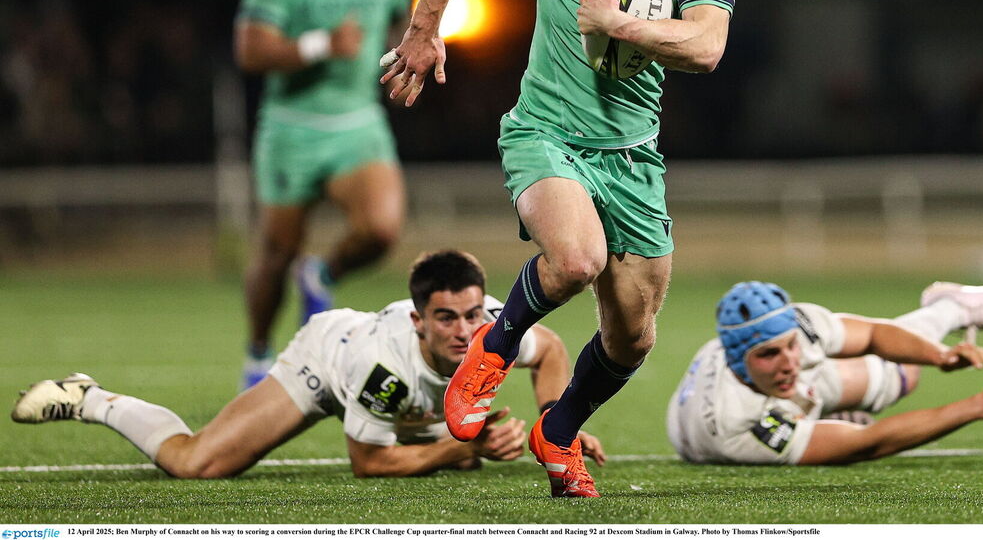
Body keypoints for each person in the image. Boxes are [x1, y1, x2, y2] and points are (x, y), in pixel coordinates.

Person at [380, 0, 735, 497]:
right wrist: (424, 26)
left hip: (632, 155)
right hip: (546, 131)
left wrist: (616, 24)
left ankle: (558, 430)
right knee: (575, 259)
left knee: (633, 335)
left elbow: (706, 47)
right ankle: (496, 345)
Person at [10, 250, 605, 478]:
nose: (464, 330)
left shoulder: (493, 330)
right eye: (445, 318)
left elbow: (551, 350)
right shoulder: (382, 366)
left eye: (473, 314)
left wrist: (557, 427)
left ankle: (446, 437)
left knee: (454, 440)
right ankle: (92, 398)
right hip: (327, 365)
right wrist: (455, 450)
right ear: (418, 320)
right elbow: (367, 463)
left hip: (406, 403)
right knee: (197, 464)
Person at [235, 0, 412, 388]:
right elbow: (249, 50)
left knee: (382, 230)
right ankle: (258, 354)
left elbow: (402, 19)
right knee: (276, 253)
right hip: (291, 128)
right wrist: (320, 45)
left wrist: (412, 51)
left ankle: (322, 274)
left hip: (358, 122)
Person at [666, 281, 983, 466]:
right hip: (716, 428)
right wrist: (976, 407)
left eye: (791, 345)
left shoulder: (793, 328)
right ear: (736, 358)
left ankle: (954, 307)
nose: (790, 362)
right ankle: (951, 309)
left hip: (769, 394)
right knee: (889, 384)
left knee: (903, 375)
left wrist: (940, 355)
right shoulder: (737, 424)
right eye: (769, 354)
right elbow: (868, 443)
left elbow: (874, 334)